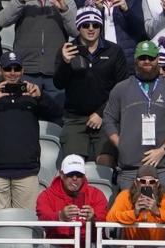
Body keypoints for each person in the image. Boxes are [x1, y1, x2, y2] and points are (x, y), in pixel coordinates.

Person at [0, 51, 63, 212]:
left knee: (25, 223)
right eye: (8, 68)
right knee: (0, 222)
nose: (12, 73)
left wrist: (41, 97)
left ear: (23, 70)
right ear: (0, 71)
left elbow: (57, 114)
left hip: (27, 170)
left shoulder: (32, 94)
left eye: (16, 68)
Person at [54, 2, 129, 162]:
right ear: (78, 27)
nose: (90, 28)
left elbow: (121, 89)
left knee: (105, 163)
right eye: (85, 24)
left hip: (106, 117)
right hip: (75, 118)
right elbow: (58, 83)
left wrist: (101, 113)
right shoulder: (67, 49)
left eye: (95, 24)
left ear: (100, 27)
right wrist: (65, 63)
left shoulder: (114, 51)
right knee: (74, 166)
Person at [103, 40, 165, 190]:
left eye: (151, 58)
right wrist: (120, 144)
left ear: (158, 59)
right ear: (135, 60)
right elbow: (108, 119)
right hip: (129, 167)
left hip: (161, 166)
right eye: (143, 58)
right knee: (129, 211)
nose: (147, 61)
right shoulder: (121, 88)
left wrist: (162, 150)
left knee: (159, 211)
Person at [0, 0, 77, 108]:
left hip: (56, 72)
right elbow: (1, 20)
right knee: (25, 113)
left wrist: (64, 10)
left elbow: (76, 31)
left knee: (55, 116)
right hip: (26, 71)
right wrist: (21, 2)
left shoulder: (66, 1)